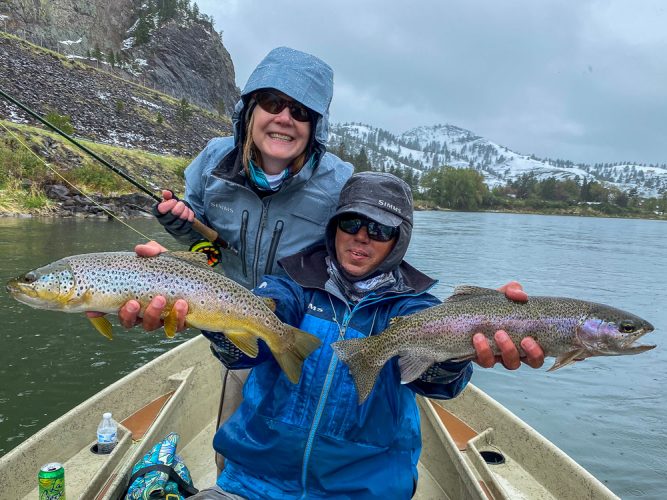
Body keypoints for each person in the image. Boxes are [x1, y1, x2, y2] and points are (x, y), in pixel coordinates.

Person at [125, 172, 544, 499]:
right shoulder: (289, 283)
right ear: (334, 228)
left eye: (379, 229)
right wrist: (193, 294)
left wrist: (459, 350)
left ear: (398, 241)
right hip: (250, 484)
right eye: (352, 222)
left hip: (365, 491)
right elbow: (243, 356)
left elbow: (436, 384)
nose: (362, 235)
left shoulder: (414, 307)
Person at [152, 46, 353, 290]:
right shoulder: (212, 160)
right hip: (228, 313)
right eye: (272, 102)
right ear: (250, 111)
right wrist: (180, 223)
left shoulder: (342, 184)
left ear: (315, 127)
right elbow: (200, 240)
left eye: (300, 111)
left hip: (297, 321)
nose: (284, 119)